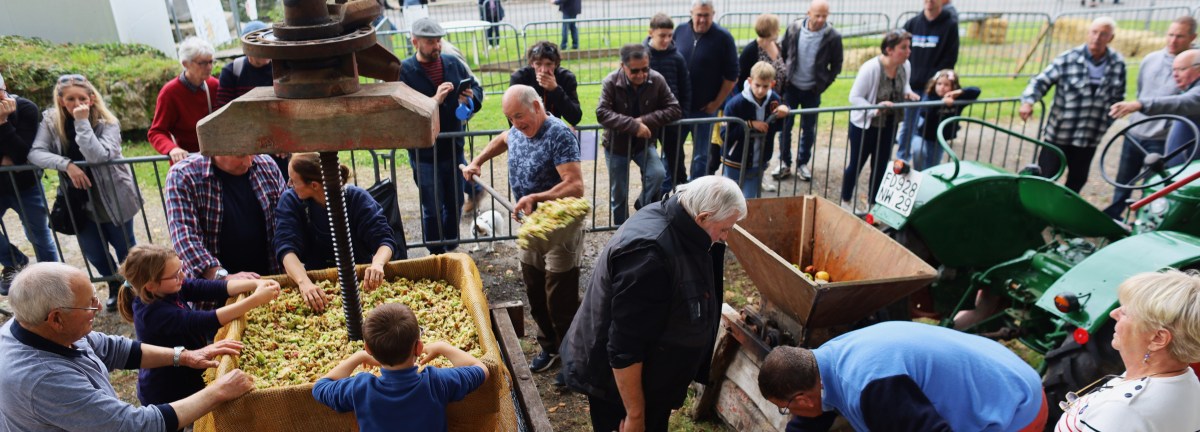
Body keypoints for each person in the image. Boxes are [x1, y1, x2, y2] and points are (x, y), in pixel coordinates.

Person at [561, 175, 745, 432]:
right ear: (702, 217)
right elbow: (625, 348)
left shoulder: (680, 219)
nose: (725, 237)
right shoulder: (650, 255)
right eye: (725, 229)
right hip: (618, 389)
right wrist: (635, 414)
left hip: (651, 380)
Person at [0, 262, 255, 431]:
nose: (99, 308)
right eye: (89, 305)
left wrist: (185, 356)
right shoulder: (43, 380)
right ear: (55, 318)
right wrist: (218, 392)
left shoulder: (35, 323)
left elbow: (113, 348)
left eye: (95, 297)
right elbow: (132, 426)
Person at [462, 85, 584, 374]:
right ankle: (550, 347)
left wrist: (536, 197)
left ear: (537, 107)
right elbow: (504, 139)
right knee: (534, 288)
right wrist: (478, 161)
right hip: (531, 227)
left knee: (560, 296)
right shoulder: (518, 129)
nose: (515, 123)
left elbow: (575, 185)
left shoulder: (558, 134)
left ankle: (574, 358)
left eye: (519, 115)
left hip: (559, 226)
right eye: (510, 117)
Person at [758, 321, 1047, 432]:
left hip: (1016, 409)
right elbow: (810, 421)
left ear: (803, 399)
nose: (789, 412)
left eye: (784, 407)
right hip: (1004, 372)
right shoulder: (824, 362)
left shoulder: (871, 389)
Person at [29, 74, 142, 313]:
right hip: (78, 199)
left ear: (91, 99)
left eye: (82, 97)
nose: (77, 103)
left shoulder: (107, 121)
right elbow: (35, 153)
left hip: (113, 195)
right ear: (61, 100)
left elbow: (98, 156)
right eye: (70, 98)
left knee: (125, 248)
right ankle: (115, 285)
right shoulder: (51, 121)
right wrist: (67, 165)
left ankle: (134, 290)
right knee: (94, 251)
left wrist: (82, 123)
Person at [117, 244, 280, 406]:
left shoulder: (169, 287)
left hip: (190, 377)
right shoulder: (152, 314)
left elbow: (208, 288)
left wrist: (255, 285)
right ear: (151, 285)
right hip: (167, 392)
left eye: (181, 269)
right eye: (175, 274)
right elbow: (203, 321)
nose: (182, 276)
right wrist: (255, 300)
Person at [1054, 270, 1200, 430]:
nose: (1113, 313)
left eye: (1125, 312)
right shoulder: (1184, 378)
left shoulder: (1123, 411)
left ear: (1157, 338)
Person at [312, 302, 489, 431]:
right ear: (419, 348)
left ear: (369, 349)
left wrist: (358, 358)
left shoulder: (360, 388)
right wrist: (444, 347)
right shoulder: (436, 381)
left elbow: (319, 387)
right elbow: (481, 369)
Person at [399, 18, 484, 255]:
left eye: (438, 41)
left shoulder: (452, 63)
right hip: (424, 152)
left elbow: (477, 90)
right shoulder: (404, 71)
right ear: (415, 41)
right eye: (430, 42)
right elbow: (403, 111)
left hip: (453, 147)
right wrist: (434, 101)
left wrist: (470, 98)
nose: (437, 46)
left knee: (455, 201)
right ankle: (435, 251)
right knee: (432, 206)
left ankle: (452, 245)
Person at [274, 153, 396, 313]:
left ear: (314, 185)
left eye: (293, 181)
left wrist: (377, 264)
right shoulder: (291, 201)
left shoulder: (356, 198)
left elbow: (384, 240)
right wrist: (304, 282)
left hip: (361, 281)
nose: (289, 184)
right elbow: (286, 248)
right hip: (316, 283)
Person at [1019, 17, 1126, 193]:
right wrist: (1028, 101)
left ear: (1111, 38)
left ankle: (1062, 214)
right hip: (1060, 133)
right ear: (1088, 33)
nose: (1097, 38)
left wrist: (1104, 124)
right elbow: (1040, 82)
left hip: (1089, 136)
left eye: (1103, 34)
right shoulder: (1068, 58)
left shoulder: (1117, 63)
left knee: (1078, 179)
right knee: (1046, 175)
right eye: (1094, 32)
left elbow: (1117, 99)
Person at [1103, 17, 1196, 218]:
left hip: (1162, 140)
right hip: (1136, 132)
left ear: (1192, 38)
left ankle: (1143, 221)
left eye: (1179, 36)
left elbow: (1182, 102)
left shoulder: (1193, 69)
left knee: (1153, 187)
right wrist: (1138, 109)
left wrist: (1141, 105)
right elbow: (1141, 91)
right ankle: (1113, 218)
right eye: (1170, 34)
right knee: (1124, 180)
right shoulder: (1150, 60)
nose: (1173, 40)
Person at [165, 154, 286, 286]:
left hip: (270, 281)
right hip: (214, 293)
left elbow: (287, 221)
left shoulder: (268, 165)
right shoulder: (183, 175)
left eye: (253, 152)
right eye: (241, 155)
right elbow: (184, 238)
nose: (249, 162)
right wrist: (222, 277)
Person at [596, 44, 680, 224]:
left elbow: (674, 108)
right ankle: (621, 229)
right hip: (616, 146)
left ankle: (643, 205)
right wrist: (633, 125)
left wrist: (644, 121)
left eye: (645, 69)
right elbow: (602, 113)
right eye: (635, 71)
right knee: (619, 192)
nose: (641, 75)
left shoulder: (656, 80)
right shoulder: (610, 82)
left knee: (657, 174)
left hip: (644, 144)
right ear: (623, 66)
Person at [842, 30, 919, 210]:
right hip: (865, 126)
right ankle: (845, 201)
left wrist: (907, 92)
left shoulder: (905, 65)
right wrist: (875, 108)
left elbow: (904, 83)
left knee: (881, 165)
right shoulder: (871, 68)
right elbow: (854, 97)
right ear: (889, 50)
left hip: (889, 124)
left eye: (909, 47)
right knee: (856, 164)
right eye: (903, 48)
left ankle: (873, 204)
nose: (908, 52)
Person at [0, 72, 58, 295]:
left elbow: (25, 152)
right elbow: (14, 154)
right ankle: (14, 260)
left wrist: (3, 123)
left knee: (39, 235)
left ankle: (52, 283)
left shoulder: (25, 108)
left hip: (26, 185)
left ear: (5, 90)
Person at [775, 0, 843, 182]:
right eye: (817, 15)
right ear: (808, 13)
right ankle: (784, 161)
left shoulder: (832, 36)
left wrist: (822, 84)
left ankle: (803, 162)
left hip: (812, 90)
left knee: (808, 128)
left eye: (824, 16)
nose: (821, 19)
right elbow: (783, 54)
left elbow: (837, 65)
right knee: (785, 126)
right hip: (791, 87)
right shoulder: (794, 29)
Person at [675, 0, 738, 180]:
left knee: (701, 156)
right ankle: (673, 189)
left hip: (704, 110)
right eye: (699, 15)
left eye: (706, 15)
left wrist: (716, 104)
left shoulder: (724, 38)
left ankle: (697, 192)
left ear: (713, 14)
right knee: (672, 153)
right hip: (678, 109)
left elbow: (732, 76)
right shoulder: (679, 31)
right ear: (691, 13)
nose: (702, 20)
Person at [1110, 48, 1200, 169]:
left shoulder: (1195, 93)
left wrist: (1140, 104)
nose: (1175, 75)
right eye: (1174, 70)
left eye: (1182, 69)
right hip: (1181, 168)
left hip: (1190, 170)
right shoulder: (1188, 88)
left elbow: (1185, 102)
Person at [897, 0, 959, 163]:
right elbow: (901, 52)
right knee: (907, 125)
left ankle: (927, 166)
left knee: (925, 127)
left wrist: (935, 84)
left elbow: (950, 58)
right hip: (912, 86)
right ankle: (902, 160)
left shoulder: (949, 26)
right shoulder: (912, 23)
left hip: (932, 89)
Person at [721, 62, 790, 199]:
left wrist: (785, 111)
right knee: (729, 199)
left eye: (765, 86)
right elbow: (725, 134)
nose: (760, 90)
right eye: (757, 85)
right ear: (750, 81)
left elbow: (779, 125)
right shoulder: (735, 104)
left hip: (758, 162)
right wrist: (749, 125)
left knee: (750, 201)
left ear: (772, 84)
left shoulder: (774, 101)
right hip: (734, 161)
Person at [148, 37, 218, 164]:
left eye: (211, 62)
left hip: (215, 159)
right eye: (203, 63)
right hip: (186, 162)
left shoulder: (214, 86)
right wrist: (172, 149)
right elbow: (156, 131)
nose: (209, 67)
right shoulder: (170, 93)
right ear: (186, 64)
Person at [644, 13, 692, 196]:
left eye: (670, 36)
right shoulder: (644, 55)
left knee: (677, 162)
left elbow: (686, 89)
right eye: (662, 35)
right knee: (651, 166)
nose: (666, 40)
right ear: (651, 33)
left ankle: (683, 199)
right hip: (649, 120)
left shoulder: (677, 58)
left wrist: (684, 116)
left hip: (672, 120)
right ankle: (651, 201)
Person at [911, 69, 980, 170]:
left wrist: (959, 92)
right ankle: (918, 175)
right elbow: (924, 112)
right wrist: (941, 103)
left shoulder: (957, 100)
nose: (942, 87)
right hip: (923, 136)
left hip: (939, 140)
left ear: (953, 86)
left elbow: (976, 91)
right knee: (918, 152)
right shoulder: (930, 96)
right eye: (939, 84)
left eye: (946, 85)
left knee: (932, 168)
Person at [509, 40, 582, 127]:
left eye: (548, 64)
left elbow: (575, 118)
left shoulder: (566, 78)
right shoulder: (519, 79)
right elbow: (511, 116)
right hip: (526, 132)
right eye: (538, 64)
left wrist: (555, 90)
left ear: (556, 64)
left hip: (555, 131)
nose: (543, 70)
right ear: (532, 64)